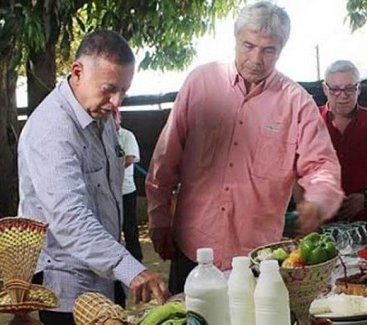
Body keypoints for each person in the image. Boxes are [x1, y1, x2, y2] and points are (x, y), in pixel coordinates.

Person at [146, 1, 344, 294]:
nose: (256, 58)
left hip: (258, 258)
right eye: (248, 45)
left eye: (269, 50)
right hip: (194, 250)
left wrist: (318, 199)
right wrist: (159, 215)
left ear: (281, 50)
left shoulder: (296, 102)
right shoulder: (201, 83)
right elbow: (166, 156)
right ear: (236, 39)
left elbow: (321, 166)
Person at [18, 30, 168, 324]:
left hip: (106, 274)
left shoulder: (102, 117)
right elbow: (70, 218)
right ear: (77, 72)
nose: (116, 102)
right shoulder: (52, 130)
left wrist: (121, 269)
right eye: (109, 89)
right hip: (67, 286)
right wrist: (130, 268)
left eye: (124, 91)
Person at [318, 60, 367, 222]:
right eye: (335, 89)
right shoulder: (309, 122)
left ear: (359, 88)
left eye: (349, 88)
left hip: (363, 221)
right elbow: (294, 171)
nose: (342, 95)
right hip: (317, 224)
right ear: (325, 89)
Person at [113, 111, 143, 307]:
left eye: (114, 117)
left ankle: (137, 266)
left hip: (126, 190)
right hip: (108, 194)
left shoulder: (127, 136)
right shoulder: (100, 138)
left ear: (119, 118)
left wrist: (111, 167)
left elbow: (130, 158)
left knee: (130, 230)